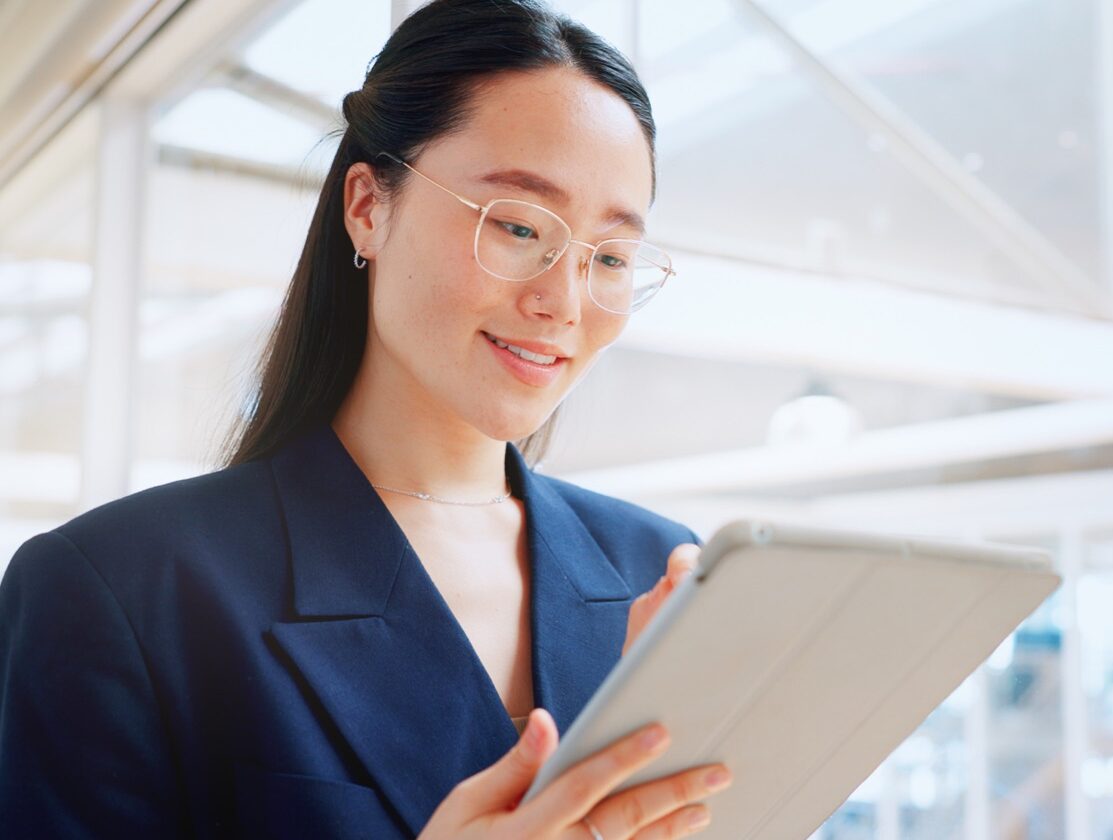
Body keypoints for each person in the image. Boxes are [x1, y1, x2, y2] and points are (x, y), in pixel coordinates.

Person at [0, 0, 736, 837]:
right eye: (520, 226)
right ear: (367, 206)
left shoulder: (663, 574)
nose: (561, 301)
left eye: (608, 257)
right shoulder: (118, 590)